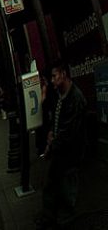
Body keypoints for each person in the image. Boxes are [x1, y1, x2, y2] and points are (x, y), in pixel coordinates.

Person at [38, 62, 87, 229]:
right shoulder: (60, 94)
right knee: (52, 185)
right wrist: (51, 132)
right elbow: (56, 120)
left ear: (64, 74)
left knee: (66, 189)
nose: (52, 81)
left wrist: (50, 147)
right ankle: (50, 218)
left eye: (54, 76)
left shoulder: (75, 98)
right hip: (60, 150)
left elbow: (69, 132)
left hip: (70, 153)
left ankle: (65, 220)